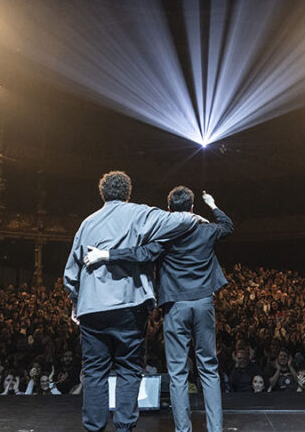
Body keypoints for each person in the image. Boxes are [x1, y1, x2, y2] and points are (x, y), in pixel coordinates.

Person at [85, 187, 231, 432]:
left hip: (175, 306)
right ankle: (215, 429)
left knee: (177, 373)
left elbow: (140, 254)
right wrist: (213, 204)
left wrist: (106, 255)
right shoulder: (207, 229)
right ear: (193, 208)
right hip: (204, 303)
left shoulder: (166, 236)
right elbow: (228, 226)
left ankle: (183, 430)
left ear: (169, 210)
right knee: (209, 368)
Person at [63, 171, 199, 432]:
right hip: (129, 305)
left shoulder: (87, 223)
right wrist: (196, 216)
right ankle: (124, 427)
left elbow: (71, 272)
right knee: (128, 368)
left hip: (92, 308)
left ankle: (94, 428)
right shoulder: (140, 213)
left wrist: (75, 301)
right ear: (128, 193)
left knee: (94, 371)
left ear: (102, 193)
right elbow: (179, 221)